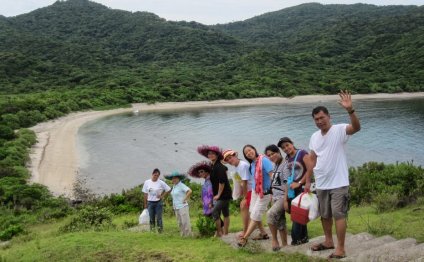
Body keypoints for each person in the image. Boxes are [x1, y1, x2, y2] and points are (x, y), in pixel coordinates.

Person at [308, 90, 361, 259]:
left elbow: (356, 128)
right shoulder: (314, 137)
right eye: (316, 119)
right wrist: (308, 181)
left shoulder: (339, 129)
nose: (320, 121)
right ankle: (328, 241)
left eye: (322, 118)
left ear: (329, 117)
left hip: (338, 182)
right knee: (325, 215)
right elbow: (312, 160)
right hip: (321, 182)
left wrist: (350, 110)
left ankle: (341, 248)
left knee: (339, 214)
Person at [238, 144, 274, 247]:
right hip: (255, 191)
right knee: (252, 212)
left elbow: (272, 175)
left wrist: (273, 191)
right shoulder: (252, 164)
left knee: (255, 214)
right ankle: (263, 234)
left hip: (265, 192)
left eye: (250, 150)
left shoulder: (264, 160)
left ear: (254, 149)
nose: (249, 153)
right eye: (246, 153)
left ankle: (245, 238)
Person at [278, 137, 310, 246]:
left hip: (302, 188)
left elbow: (311, 169)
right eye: (283, 148)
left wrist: (300, 182)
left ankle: (295, 240)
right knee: (299, 215)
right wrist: (286, 198)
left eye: (287, 145)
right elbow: (287, 177)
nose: (286, 148)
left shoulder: (302, 153)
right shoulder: (287, 158)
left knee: (297, 216)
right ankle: (304, 238)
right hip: (292, 190)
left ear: (292, 143)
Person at [197, 145, 232, 237]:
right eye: (209, 154)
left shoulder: (219, 167)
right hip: (222, 194)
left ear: (217, 155)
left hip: (224, 194)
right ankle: (225, 233)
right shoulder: (213, 166)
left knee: (215, 212)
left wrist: (218, 195)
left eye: (213, 153)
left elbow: (222, 182)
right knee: (225, 213)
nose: (210, 155)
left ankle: (220, 233)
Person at [222, 149, 252, 239]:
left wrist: (245, 197)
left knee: (243, 206)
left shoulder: (242, 165)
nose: (230, 161)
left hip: (252, 189)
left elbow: (245, 182)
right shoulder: (237, 166)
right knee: (252, 212)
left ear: (235, 156)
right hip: (249, 190)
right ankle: (261, 231)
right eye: (227, 160)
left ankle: (245, 231)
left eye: (230, 158)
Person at [264, 144, 289, 251]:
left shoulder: (285, 165)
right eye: (268, 155)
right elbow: (274, 183)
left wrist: (286, 200)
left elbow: (287, 183)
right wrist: (271, 196)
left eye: (273, 153)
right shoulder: (275, 166)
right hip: (275, 196)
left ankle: (274, 240)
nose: (271, 157)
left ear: (278, 152)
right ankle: (285, 245)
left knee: (270, 214)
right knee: (280, 222)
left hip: (282, 197)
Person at [142, 168, 171, 233]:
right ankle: (152, 231)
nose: (156, 177)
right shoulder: (147, 182)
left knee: (159, 218)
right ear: (152, 174)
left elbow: (168, 189)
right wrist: (145, 204)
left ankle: (160, 231)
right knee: (151, 218)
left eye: (157, 175)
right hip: (150, 203)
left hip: (158, 203)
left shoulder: (161, 182)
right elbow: (145, 194)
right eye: (155, 175)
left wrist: (162, 196)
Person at [165, 171, 192, 237]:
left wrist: (185, 199)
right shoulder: (174, 186)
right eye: (172, 178)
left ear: (179, 178)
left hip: (183, 206)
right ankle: (182, 234)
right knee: (179, 222)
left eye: (175, 178)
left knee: (185, 221)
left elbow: (189, 191)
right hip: (176, 206)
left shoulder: (181, 185)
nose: (173, 179)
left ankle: (188, 235)